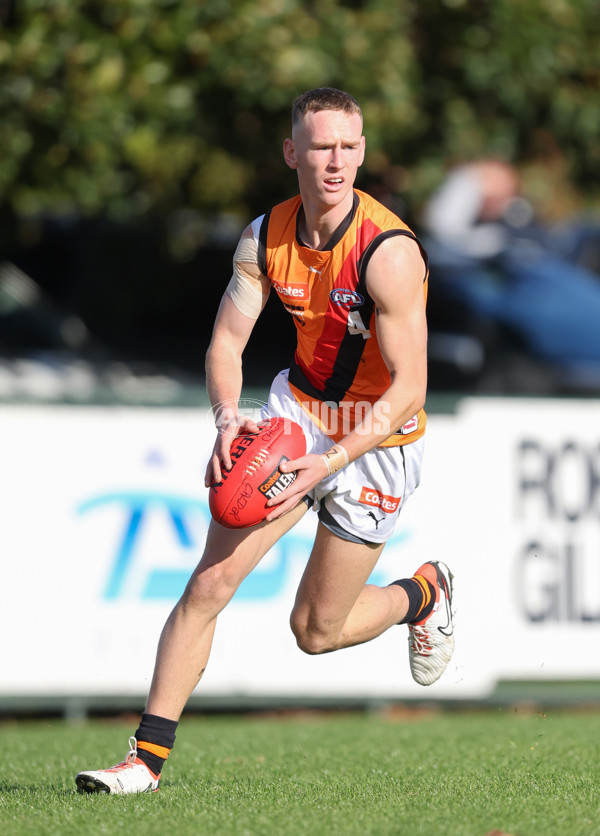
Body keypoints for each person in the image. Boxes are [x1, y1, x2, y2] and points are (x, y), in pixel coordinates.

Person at [76, 88, 455, 795]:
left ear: (363, 152)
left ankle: (421, 596)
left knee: (316, 631)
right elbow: (226, 341)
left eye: (349, 147)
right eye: (320, 146)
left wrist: (332, 461)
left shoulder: (389, 252)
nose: (335, 162)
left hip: (377, 436)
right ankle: (145, 763)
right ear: (292, 153)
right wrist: (227, 418)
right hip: (300, 411)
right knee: (211, 580)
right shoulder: (263, 236)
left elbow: (409, 388)